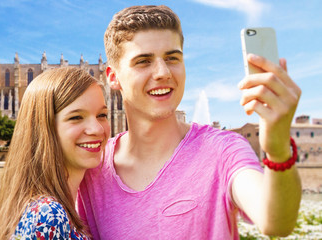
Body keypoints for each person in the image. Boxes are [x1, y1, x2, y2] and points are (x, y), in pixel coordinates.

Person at [78, 5, 302, 239]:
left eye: (172, 58)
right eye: (144, 61)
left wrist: (277, 149)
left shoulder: (223, 150)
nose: (163, 72)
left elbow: (276, 221)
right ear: (113, 77)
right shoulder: (93, 169)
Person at [0, 67, 110, 239]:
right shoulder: (48, 216)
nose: (97, 129)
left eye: (102, 115)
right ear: (44, 128)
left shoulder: (43, 207)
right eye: (76, 117)